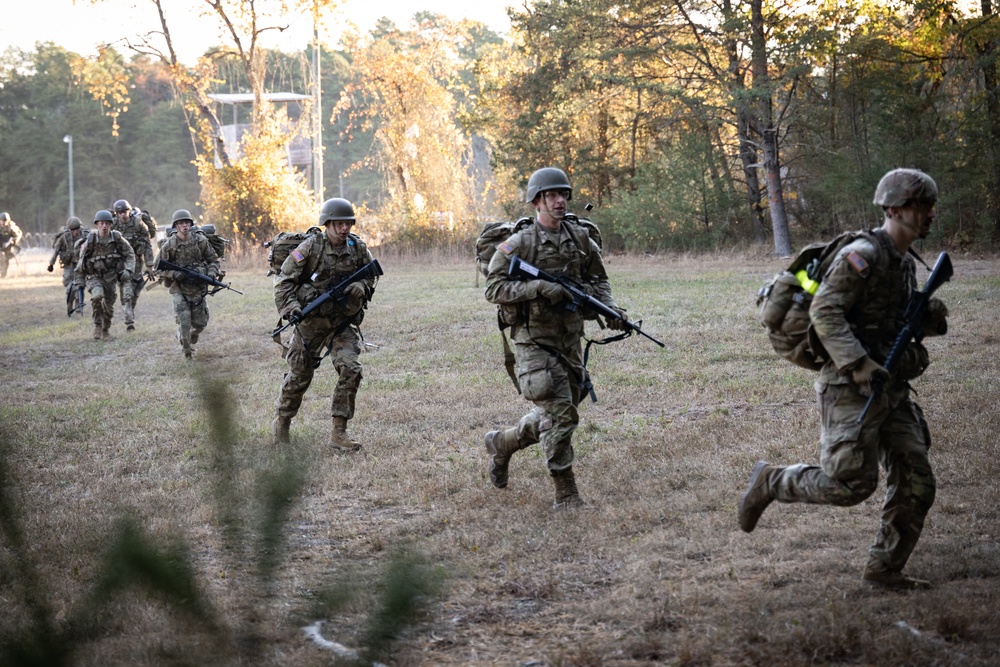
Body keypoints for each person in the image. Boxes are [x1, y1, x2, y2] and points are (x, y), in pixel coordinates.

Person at [738, 168, 949, 590]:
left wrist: (927, 316)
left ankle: (884, 570)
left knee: (917, 478)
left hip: (889, 383)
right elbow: (825, 312)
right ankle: (772, 480)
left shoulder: (904, 261)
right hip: (850, 382)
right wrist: (858, 365)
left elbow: (889, 316)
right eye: (919, 205)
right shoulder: (863, 255)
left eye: (930, 206)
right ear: (893, 209)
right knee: (850, 484)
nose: (928, 214)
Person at [482, 167, 627, 508]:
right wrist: (538, 287)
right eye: (552, 195)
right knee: (562, 418)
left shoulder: (579, 238)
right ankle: (566, 493)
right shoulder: (520, 243)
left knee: (555, 415)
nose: (560, 200)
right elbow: (493, 288)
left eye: (563, 194)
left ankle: (502, 443)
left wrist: (610, 309)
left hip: (569, 340)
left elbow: (598, 279)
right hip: (534, 342)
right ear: (537, 201)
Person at [272, 198, 378, 452]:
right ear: (327, 223)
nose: (344, 228)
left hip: (342, 322)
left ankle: (339, 433)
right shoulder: (311, 248)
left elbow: (371, 276)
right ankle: (282, 423)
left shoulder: (358, 248)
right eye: (339, 223)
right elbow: (284, 281)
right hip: (311, 323)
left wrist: (360, 287)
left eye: (348, 223)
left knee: (351, 368)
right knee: (299, 375)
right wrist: (291, 309)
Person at [154, 210, 220, 359]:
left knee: (200, 324)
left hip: (198, 287)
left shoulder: (200, 241)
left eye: (187, 222)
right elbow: (157, 268)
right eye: (181, 223)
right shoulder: (170, 244)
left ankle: (192, 334)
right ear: (176, 226)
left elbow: (214, 260)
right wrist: (172, 274)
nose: (184, 225)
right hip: (178, 288)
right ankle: (187, 353)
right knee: (184, 320)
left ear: (191, 224)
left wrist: (211, 273)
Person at [75, 210, 136, 341]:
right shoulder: (91, 240)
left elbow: (130, 254)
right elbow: (81, 262)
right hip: (95, 276)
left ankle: (105, 329)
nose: (104, 226)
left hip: (111, 277)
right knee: (97, 296)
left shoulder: (117, 238)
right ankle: (97, 325)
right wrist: (79, 281)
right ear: (97, 224)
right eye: (101, 223)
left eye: (107, 223)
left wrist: (129, 270)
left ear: (111, 225)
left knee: (109, 306)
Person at [111, 199, 156, 332]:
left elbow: (147, 244)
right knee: (126, 290)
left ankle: (130, 309)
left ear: (129, 211)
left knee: (135, 290)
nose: (122, 215)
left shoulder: (138, 224)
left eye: (124, 211)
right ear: (116, 214)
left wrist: (149, 264)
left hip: (136, 261)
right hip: (120, 262)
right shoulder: (114, 225)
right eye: (119, 213)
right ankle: (129, 320)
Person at [48, 216, 89, 315]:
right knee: (69, 285)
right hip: (68, 265)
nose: (76, 231)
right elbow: (56, 250)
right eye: (73, 230)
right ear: (70, 230)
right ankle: (70, 302)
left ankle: (79, 305)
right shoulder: (64, 237)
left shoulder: (85, 236)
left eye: (77, 229)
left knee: (80, 284)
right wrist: (51, 264)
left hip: (80, 264)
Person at [0, 211, 24, 278]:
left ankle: (3, 276)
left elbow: (18, 235)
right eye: (2, 221)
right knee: (1, 256)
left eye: (5, 221)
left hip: (8, 247)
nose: (4, 222)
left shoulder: (12, 227)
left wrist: (13, 241)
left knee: (6, 260)